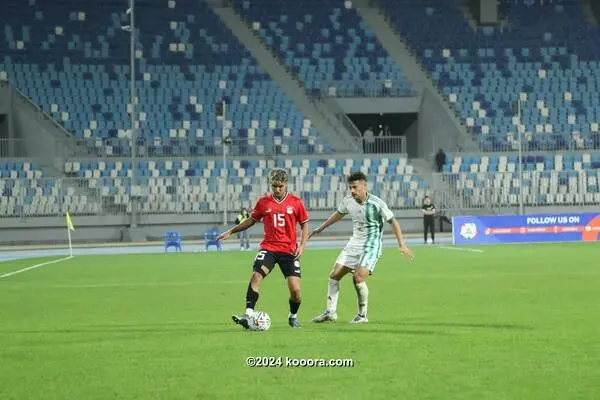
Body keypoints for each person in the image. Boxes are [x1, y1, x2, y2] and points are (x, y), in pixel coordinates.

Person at [309, 172, 414, 324]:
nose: (352, 190)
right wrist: (321, 228)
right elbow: (338, 214)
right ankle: (330, 312)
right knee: (334, 276)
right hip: (354, 243)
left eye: (355, 187)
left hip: (371, 245)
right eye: (350, 187)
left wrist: (402, 245)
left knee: (358, 277)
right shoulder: (348, 201)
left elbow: (394, 222)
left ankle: (362, 315)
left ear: (364, 186)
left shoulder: (377, 203)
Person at [217, 168, 310, 329]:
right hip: (269, 248)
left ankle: (293, 316)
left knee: (295, 291)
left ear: (286, 184)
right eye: (274, 186)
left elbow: (304, 224)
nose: (277, 189)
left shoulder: (296, 202)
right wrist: (231, 231)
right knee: (256, 276)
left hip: (289, 251)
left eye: (280, 186)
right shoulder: (263, 202)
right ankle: (248, 315)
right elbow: (251, 221)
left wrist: (302, 245)